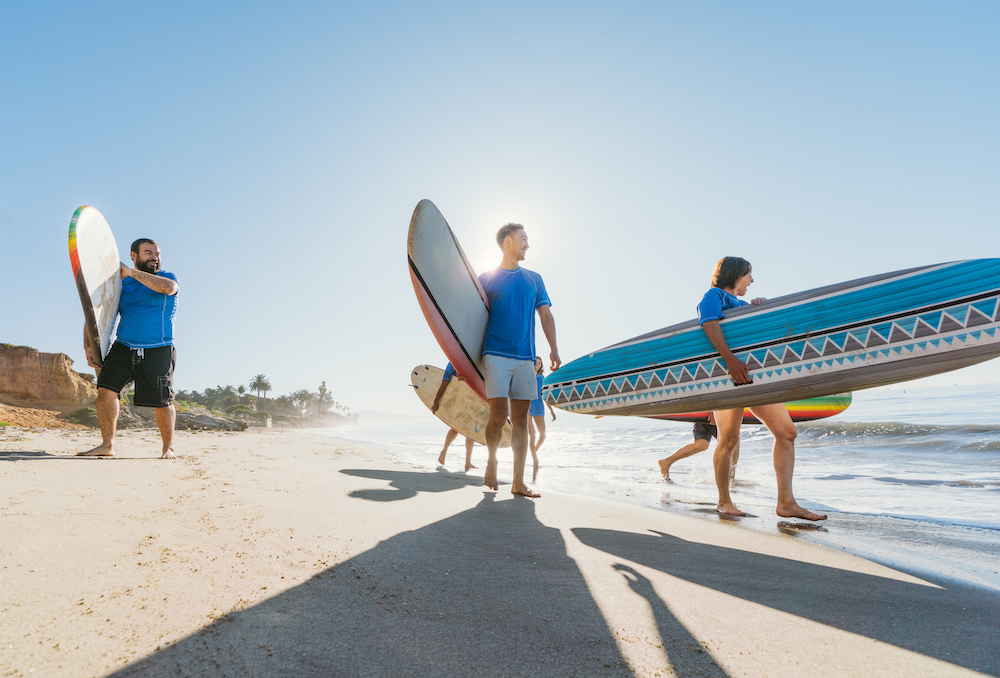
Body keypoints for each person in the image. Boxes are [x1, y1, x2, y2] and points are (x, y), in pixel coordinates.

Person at [699, 256, 825, 520]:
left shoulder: (741, 304)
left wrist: (756, 310)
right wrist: (731, 361)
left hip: (754, 378)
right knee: (729, 439)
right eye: (749, 274)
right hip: (727, 376)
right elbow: (709, 324)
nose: (752, 280)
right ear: (735, 274)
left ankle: (786, 503)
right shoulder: (713, 295)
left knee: (787, 432)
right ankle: (724, 501)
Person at [80, 238, 179, 459]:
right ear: (134, 255)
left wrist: (129, 272)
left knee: (162, 401)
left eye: (157, 253)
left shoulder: (167, 278)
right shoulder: (119, 285)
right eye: (148, 253)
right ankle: (107, 445)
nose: (155, 257)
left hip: (158, 348)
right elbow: (96, 314)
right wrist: (89, 345)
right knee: (105, 391)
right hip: (123, 346)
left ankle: (168, 448)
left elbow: (168, 289)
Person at [480, 223, 560, 497]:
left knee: (521, 419)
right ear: (508, 242)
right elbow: (469, 320)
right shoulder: (486, 279)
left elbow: (545, 315)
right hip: (495, 355)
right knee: (499, 417)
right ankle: (491, 461)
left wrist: (553, 348)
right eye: (523, 239)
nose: (527, 244)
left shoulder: (534, 279)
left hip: (526, 358)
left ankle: (518, 482)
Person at [657, 412, 739, 481]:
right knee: (732, 441)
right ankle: (730, 477)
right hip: (713, 411)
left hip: (704, 411)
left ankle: (667, 462)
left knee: (701, 444)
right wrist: (712, 410)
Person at [431, 362, 476, 470]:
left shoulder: (472, 359)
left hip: (471, 400)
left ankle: (467, 462)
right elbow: (445, 382)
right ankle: (444, 451)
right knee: (455, 428)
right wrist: (436, 401)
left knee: (471, 431)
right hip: (458, 400)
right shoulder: (452, 363)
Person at [526, 356, 556, 466]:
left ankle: (533, 451)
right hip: (527, 407)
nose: (537, 365)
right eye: (535, 363)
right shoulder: (527, 376)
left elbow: (545, 396)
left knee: (543, 434)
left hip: (538, 407)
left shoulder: (542, 378)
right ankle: (535, 460)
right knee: (532, 435)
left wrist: (551, 411)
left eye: (539, 363)